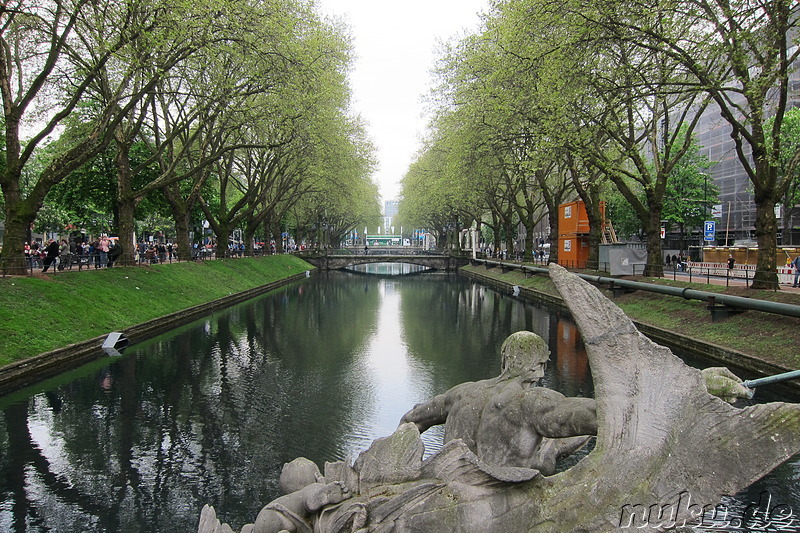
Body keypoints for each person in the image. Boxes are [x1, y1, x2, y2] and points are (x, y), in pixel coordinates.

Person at [400, 331, 597, 475]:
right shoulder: (531, 402)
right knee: (548, 454)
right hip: (499, 501)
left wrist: (407, 465)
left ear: (504, 359)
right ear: (540, 367)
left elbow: (411, 420)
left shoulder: (461, 393)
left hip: (448, 487)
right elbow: (590, 417)